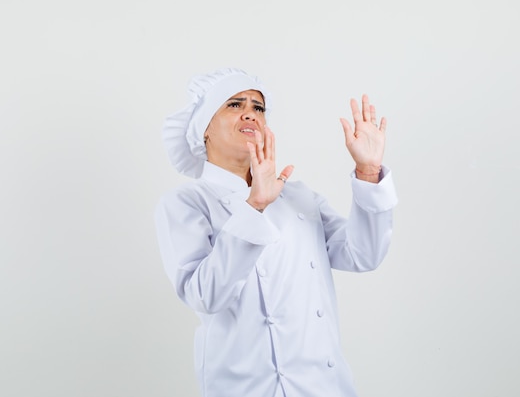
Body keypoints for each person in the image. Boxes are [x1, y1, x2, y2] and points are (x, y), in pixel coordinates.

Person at [154, 68, 398, 397]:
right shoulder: (187, 203)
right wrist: (254, 207)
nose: (250, 114)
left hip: (324, 387)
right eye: (234, 104)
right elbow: (205, 294)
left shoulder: (297, 195)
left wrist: (368, 171)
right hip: (246, 388)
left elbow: (362, 254)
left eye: (258, 107)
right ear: (203, 130)